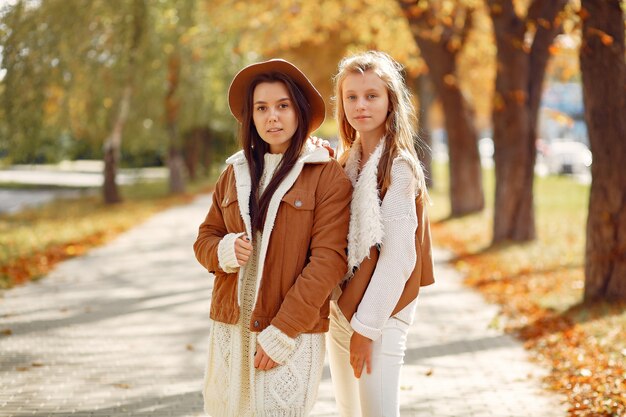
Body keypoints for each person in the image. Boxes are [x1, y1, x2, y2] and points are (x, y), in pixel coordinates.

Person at [193, 59, 352, 417]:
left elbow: (328, 262)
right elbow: (205, 238)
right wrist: (223, 250)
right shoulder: (234, 173)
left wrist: (283, 331)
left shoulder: (326, 176)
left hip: (288, 329)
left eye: (283, 106)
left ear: (299, 111)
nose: (272, 118)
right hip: (232, 326)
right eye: (261, 108)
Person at [326, 50, 435, 417]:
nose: (361, 105)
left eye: (371, 95)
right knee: (349, 411)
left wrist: (366, 329)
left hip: (382, 315)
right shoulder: (345, 164)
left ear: (390, 101)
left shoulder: (399, 166)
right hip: (343, 309)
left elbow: (399, 257)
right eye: (351, 97)